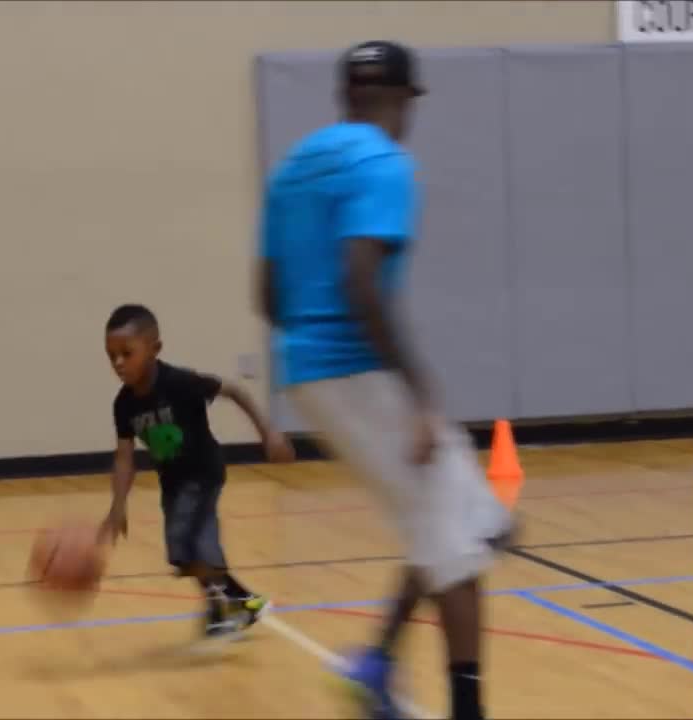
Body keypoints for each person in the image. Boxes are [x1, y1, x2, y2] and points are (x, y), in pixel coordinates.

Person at [256, 41, 516, 720]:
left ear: (347, 96)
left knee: (471, 521)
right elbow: (362, 281)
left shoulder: (292, 168)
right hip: (359, 370)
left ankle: (379, 661)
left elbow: (267, 294)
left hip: (311, 371)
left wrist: (312, 344)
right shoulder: (385, 164)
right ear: (403, 100)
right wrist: (421, 398)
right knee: (459, 546)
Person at [97, 303, 295, 641]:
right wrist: (118, 505)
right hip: (173, 482)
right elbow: (124, 457)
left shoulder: (179, 382)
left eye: (126, 353)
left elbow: (235, 390)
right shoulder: (124, 404)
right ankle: (236, 604)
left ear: (154, 348)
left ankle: (226, 609)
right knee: (182, 554)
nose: (118, 363)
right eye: (111, 355)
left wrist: (269, 433)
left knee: (193, 541)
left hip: (204, 473)